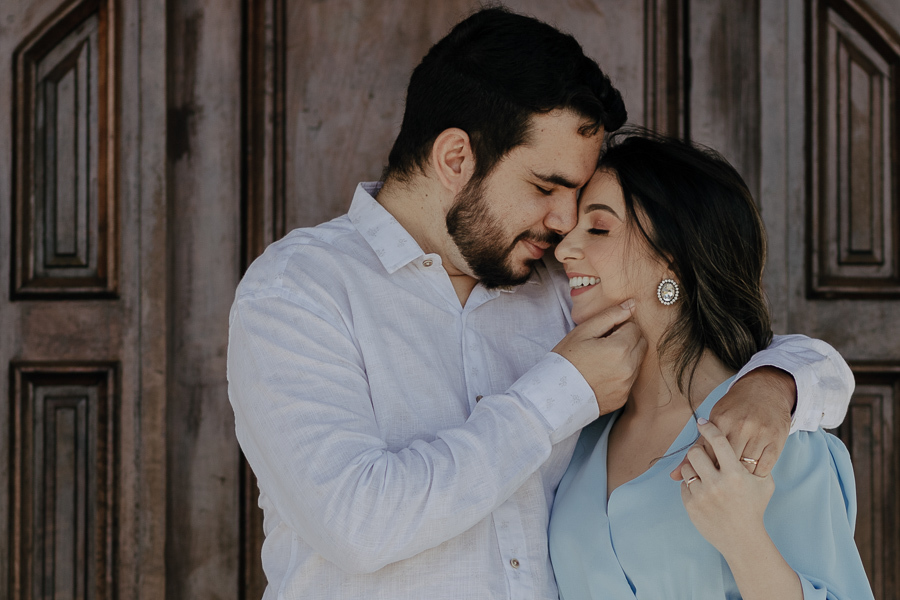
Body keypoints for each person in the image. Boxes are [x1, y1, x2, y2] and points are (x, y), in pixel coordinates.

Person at [227, 8, 854, 599]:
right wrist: (560, 390)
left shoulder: (555, 280)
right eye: (544, 186)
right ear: (455, 158)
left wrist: (775, 385)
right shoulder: (299, 292)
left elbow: (702, 322)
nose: (564, 221)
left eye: (577, 196)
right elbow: (357, 525)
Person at [548, 129, 872, 599]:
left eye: (598, 228)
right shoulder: (583, 433)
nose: (563, 250)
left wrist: (744, 539)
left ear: (672, 261)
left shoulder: (771, 437)